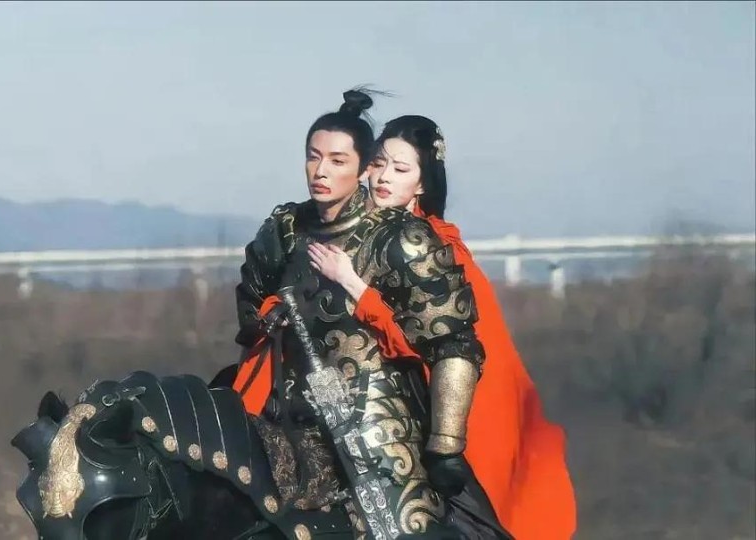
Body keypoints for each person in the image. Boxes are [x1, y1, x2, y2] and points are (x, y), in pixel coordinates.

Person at [230, 92, 509, 539]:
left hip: (377, 426)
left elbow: (453, 344)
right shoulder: (283, 231)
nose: (321, 171)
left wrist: (445, 445)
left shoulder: (403, 240)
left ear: (363, 168)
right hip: (283, 421)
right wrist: (267, 319)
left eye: (337, 160)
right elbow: (250, 297)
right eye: (313, 157)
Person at [306, 115, 577, 540]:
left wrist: (351, 283)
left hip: (431, 399)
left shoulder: (432, 244)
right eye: (378, 163)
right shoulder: (349, 229)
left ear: (421, 185)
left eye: (401, 169)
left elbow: (428, 343)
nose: (383, 178)